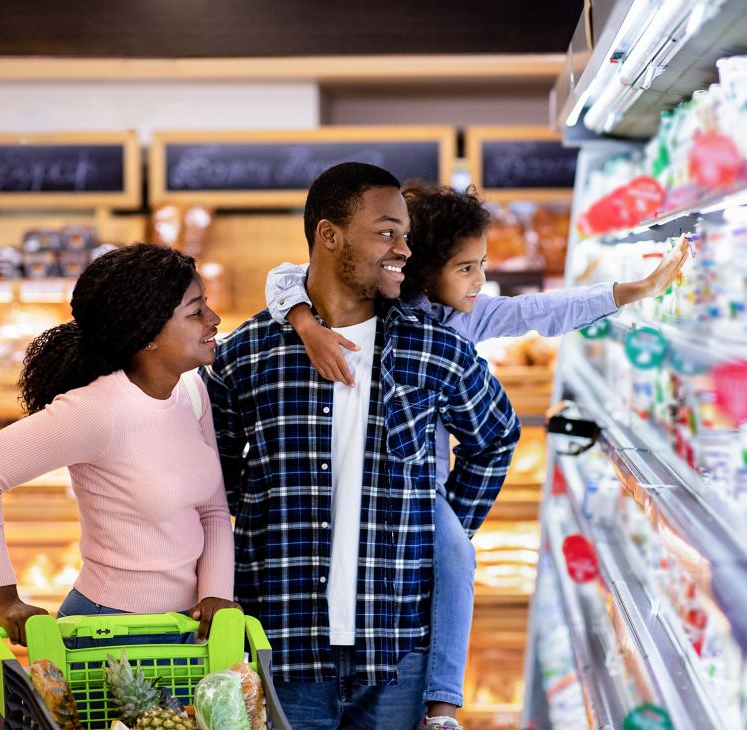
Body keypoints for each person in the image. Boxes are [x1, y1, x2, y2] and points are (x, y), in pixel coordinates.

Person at [265, 181, 689, 729]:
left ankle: (443, 702)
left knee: (457, 556)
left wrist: (630, 291)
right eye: (466, 268)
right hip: (344, 491)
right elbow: (282, 277)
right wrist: (303, 322)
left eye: (481, 265)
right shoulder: (374, 299)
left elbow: (540, 311)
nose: (480, 280)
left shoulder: (466, 319)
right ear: (422, 265)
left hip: (421, 492)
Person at [202, 163, 520, 730]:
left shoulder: (435, 351)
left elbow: (495, 437)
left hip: (396, 652)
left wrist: (444, 525)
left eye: (406, 233)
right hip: (282, 650)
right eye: (386, 232)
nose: (404, 248)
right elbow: (214, 480)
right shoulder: (246, 356)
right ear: (330, 235)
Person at [0, 243, 238, 647]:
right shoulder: (97, 410)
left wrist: (217, 595)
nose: (214, 319)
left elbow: (212, 510)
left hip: (187, 630)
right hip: (110, 633)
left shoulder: (191, 392)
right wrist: (3, 599)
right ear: (148, 335)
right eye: (195, 312)